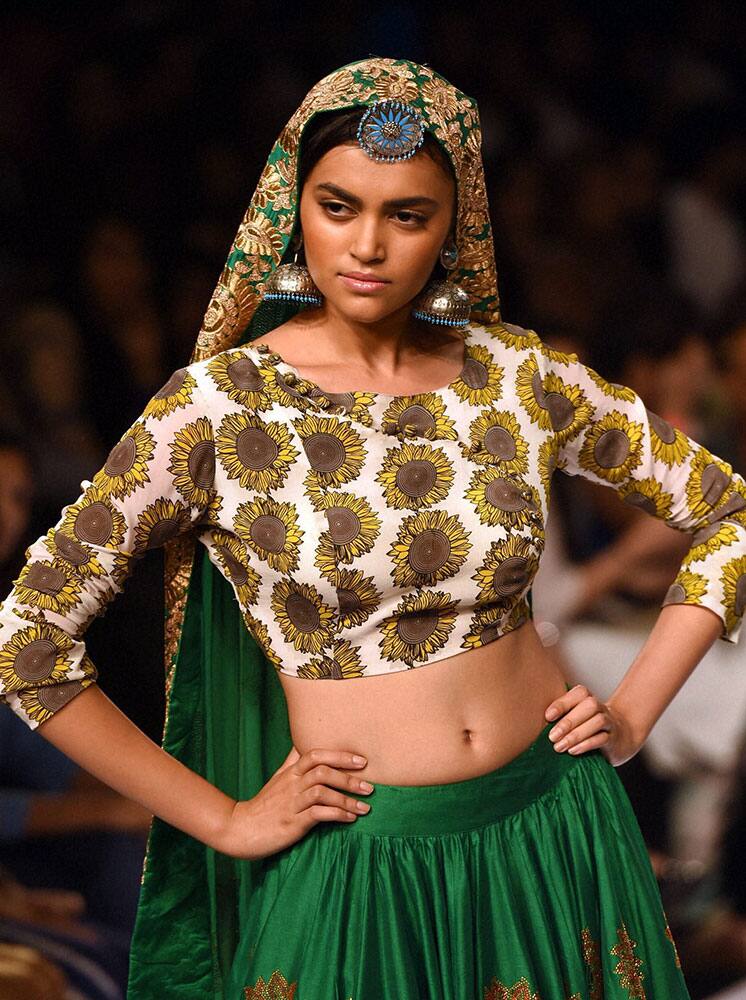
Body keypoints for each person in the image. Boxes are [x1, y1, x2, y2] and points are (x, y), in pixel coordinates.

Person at [1, 57, 745, 999]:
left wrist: (635, 711)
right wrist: (224, 820)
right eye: (338, 205)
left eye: (407, 215)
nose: (367, 245)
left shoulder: (516, 375)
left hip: (556, 829)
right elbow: (27, 637)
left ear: (453, 228)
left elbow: (729, 510)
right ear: (291, 207)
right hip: (361, 866)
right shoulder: (216, 412)